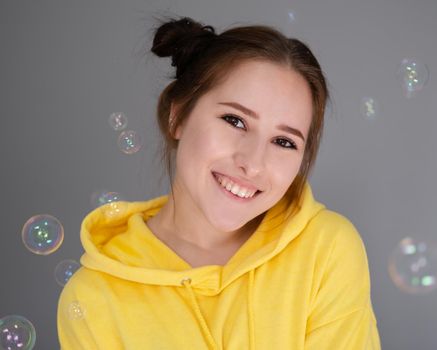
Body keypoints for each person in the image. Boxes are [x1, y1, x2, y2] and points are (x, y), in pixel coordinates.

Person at [57, 16, 381, 349]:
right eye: (235, 120)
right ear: (178, 116)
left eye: (284, 142)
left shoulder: (325, 250)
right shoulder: (93, 295)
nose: (253, 164)